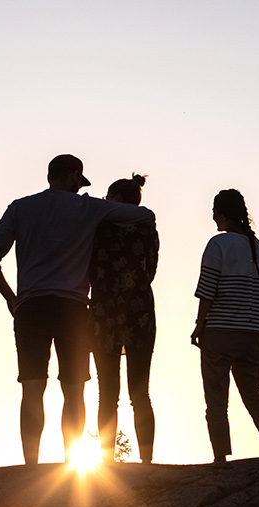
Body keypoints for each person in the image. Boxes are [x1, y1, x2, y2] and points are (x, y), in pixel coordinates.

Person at [0, 155, 156, 464]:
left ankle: (31, 465)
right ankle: (68, 462)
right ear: (74, 176)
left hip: (30, 306)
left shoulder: (20, 208)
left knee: (32, 389)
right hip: (73, 309)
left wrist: (11, 298)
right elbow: (144, 215)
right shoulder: (88, 208)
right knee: (74, 392)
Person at [191, 189, 259, 465]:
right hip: (254, 335)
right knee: (254, 396)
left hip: (219, 332)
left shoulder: (218, 245)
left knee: (217, 400)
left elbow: (207, 289)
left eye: (214, 212)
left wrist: (200, 325)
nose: (212, 218)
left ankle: (221, 459)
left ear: (221, 213)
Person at [89, 174, 160, 463]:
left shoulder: (98, 229)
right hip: (140, 309)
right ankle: (147, 461)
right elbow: (151, 269)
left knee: (107, 394)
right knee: (140, 392)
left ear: (117, 199)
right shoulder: (147, 229)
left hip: (104, 311)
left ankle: (107, 460)